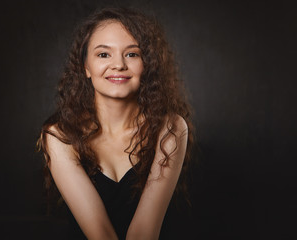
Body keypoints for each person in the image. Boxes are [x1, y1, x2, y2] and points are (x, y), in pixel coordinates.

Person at [37, 7, 194, 240]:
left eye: (132, 54)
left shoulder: (170, 128)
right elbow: (100, 235)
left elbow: (144, 234)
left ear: (146, 64)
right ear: (86, 67)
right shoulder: (59, 136)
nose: (119, 65)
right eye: (103, 54)